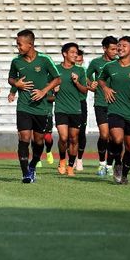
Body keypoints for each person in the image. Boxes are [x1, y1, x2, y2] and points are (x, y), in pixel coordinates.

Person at [8, 30, 60, 184]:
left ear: (30, 44)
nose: (17, 47)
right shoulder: (16, 61)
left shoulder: (44, 60)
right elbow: (11, 78)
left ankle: (32, 166)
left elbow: (57, 79)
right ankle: (25, 173)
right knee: (24, 138)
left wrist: (44, 91)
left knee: (38, 141)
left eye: (19, 44)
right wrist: (16, 84)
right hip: (24, 106)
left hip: (42, 108)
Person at [98, 36, 130, 185]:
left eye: (124, 46)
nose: (120, 48)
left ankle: (124, 175)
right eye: (119, 45)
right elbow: (101, 79)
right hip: (115, 109)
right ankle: (118, 164)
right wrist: (105, 88)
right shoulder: (110, 66)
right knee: (117, 139)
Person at [54, 43, 87, 177]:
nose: (75, 55)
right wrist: (53, 89)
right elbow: (47, 87)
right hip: (61, 108)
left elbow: (85, 91)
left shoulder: (80, 71)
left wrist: (77, 82)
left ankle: (70, 166)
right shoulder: (55, 69)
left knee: (74, 139)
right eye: (72, 52)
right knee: (63, 137)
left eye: (76, 53)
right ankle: (62, 159)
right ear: (64, 54)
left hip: (76, 109)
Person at [86, 36, 118, 177]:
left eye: (117, 49)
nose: (115, 52)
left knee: (114, 137)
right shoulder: (96, 63)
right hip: (100, 103)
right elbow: (85, 76)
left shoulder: (119, 63)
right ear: (104, 48)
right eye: (112, 49)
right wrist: (90, 83)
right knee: (104, 135)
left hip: (117, 105)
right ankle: (101, 164)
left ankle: (110, 165)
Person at [74, 48, 88, 171]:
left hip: (81, 103)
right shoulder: (65, 70)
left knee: (81, 132)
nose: (79, 63)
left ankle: (79, 159)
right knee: (69, 135)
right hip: (68, 104)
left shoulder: (83, 71)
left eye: (81, 61)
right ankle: (70, 159)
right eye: (77, 60)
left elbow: (89, 86)